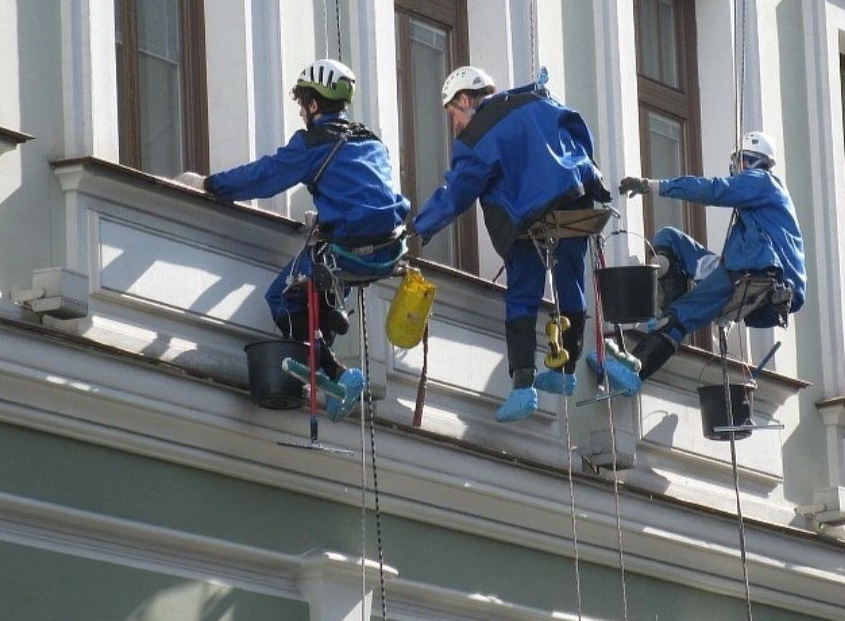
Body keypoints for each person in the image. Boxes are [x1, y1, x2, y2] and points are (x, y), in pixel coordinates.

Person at [175, 58, 411, 420]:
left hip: (348, 249)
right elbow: (365, 191)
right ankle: (330, 370)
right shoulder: (371, 142)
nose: (301, 112)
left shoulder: (313, 142)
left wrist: (209, 184)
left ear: (314, 104)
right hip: (385, 251)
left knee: (283, 298)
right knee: (320, 295)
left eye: (303, 103)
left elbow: (265, 176)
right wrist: (331, 212)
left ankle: (336, 373)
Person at [410, 66, 611, 422]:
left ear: (466, 100)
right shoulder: (539, 100)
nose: (455, 124)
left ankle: (523, 384)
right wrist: (587, 173)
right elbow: (579, 130)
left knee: (522, 294)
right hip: (575, 198)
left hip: (527, 216)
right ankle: (566, 372)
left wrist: (420, 227)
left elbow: (457, 192)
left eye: (453, 113)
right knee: (571, 285)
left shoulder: (477, 137)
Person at [603, 131, 806, 392]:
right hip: (747, 264)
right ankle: (669, 318)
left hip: (756, 268)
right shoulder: (764, 199)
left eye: (740, 160)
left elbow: (714, 190)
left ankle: (636, 369)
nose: (736, 167)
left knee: (681, 316)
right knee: (669, 238)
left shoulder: (761, 181)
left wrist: (654, 185)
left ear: (754, 161)